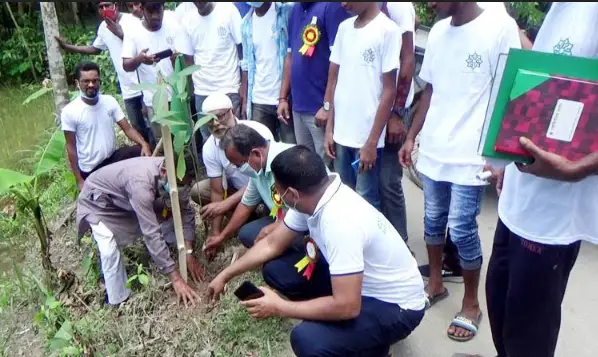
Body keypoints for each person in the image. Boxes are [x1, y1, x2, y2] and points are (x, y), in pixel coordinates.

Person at [207, 146, 426, 357]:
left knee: (306, 339)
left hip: (396, 307)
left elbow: (347, 306)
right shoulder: (315, 195)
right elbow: (272, 243)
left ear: (292, 193)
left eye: (279, 191)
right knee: (277, 270)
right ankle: (345, 329)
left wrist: (281, 307)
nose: (279, 196)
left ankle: (374, 348)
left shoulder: (340, 222)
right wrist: (225, 274)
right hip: (359, 285)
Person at [398, 2, 520, 342]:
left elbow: (511, 93)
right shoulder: (438, 31)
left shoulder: (499, 27)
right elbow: (430, 91)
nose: (429, 5)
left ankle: (470, 303)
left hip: (472, 155)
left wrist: (502, 157)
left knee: (462, 229)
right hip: (435, 147)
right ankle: (435, 284)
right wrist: (411, 136)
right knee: (433, 221)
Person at [484, 3, 598, 357]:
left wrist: (577, 169)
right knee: (501, 315)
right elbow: (556, 82)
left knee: (527, 337)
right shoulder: (563, 8)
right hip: (518, 201)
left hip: (553, 217)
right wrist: (504, 153)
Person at [76, 156, 204, 306]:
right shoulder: (142, 185)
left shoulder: (174, 174)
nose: (180, 188)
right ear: (163, 172)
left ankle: (160, 252)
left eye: (184, 184)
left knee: (163, 214)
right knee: (109, 250)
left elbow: (186, 212)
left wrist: (188, 253)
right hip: (97, 201)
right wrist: (175, 277)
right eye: (178, 184)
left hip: (125, 196)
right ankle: (117, 300)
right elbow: (151, 234)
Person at [324, 2, 401, 211]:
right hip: (340, 134)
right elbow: (334, 81)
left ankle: (368, 244)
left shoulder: (388, 31)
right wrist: (330, 129)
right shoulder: (344, 28)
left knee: (365, 201)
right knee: (342, 195)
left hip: (366, 138)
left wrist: (372, 142)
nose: (344, 4)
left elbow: (389, 91)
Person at [55, 2, 153, 147]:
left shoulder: (132, 21)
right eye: (100, 7)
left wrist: (119, 33)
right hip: (127, 89)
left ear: (116, 5)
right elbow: (95, 48)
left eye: (107, 5)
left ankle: (163, 161)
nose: (104, 10)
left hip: (144, 85)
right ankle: (148, 161)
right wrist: (67, 47)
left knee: (153, 126)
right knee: (138, 129)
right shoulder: (103, 27)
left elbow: (142, 46)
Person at [202, 124, 294, 259]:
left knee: (273, 267)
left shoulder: (289, 162)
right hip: (282, 219)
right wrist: (221, 237)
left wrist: (273, 229)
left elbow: (302, 213)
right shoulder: (257, 171)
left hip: (302, 223)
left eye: (240, 164)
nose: (236, 168)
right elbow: (245, 205)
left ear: (256, 153)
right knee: (247, 233)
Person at [189, 93, 274, 239]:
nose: (215, 124)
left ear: (232, 111)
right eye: (209, 120)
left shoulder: (258, 132)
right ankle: (247, 218)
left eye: (220, 116)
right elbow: (217, 191)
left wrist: (226, 204)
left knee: (270, 225)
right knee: (199, 190)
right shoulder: (210, 147)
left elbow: (264, 178)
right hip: (239, 190)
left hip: (267, 186)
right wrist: (216, 232)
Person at [278, 2, 350, 162]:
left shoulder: (332, 7)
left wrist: (327, 105)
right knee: (306, 167)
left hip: (320, 110)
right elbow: (290, 56)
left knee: (326, 169)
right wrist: (283, 98)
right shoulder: (295, 9)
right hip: (298, 107)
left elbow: (339, 62)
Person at [61, 62, 151, 190]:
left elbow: (128, 129)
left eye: (95, 81)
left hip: (112, 157)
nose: (91, 85)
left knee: (140, 152)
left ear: (99, 81)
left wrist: (144, 144)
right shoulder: (70, 111)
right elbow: (71, 147)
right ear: (77, 83)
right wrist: (79, 180)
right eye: (86, 81)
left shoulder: (109, 101)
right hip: (92, 169)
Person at [122, 2, 188, 145]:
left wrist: (177, 60)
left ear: (163, 8)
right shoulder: (133, 32)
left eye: (158, 11)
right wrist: (139, 59)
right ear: (142, 9)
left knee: (183, 142)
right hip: (154, 100)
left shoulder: (173, 27)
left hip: (178, 96)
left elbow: (187, 61)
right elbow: (126, 65)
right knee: (163, 143)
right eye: (150, 12)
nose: (155, 16)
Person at [178, 2, 243, 143]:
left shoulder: (228, 10)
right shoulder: (187, 20)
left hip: (229, 86)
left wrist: (243, 86)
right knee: (210, 140)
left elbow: (241, 48)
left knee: (235, 138)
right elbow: (188, 59)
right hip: (203, 90)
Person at [378, 1, 416, 242]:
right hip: (373, 107)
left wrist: (396, 112)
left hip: (393, 109)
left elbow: (408, 61)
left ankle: (401, 247)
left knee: (388, 182)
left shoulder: (398, 5)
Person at [241, 2, 296, 144]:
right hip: (259, 99)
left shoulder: (286, 13)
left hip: (285, 98)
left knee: (290, 150)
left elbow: (292, 53)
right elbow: (246, 63)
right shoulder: (246, 23)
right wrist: (245, 99)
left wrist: (284, 96)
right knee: (262, 149)